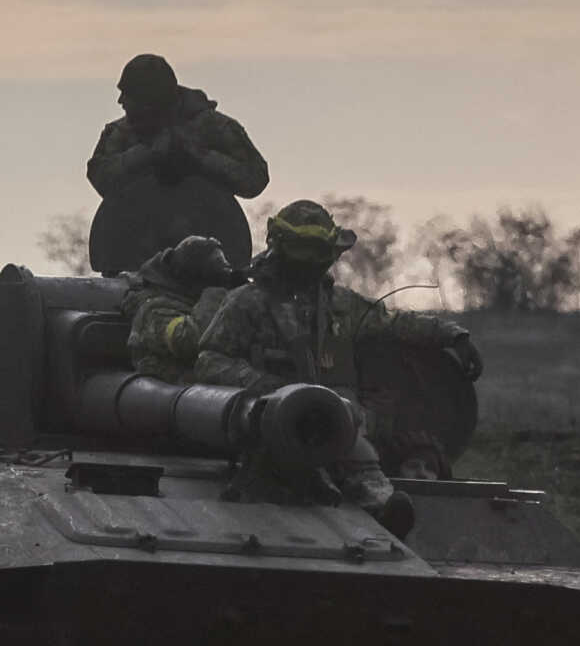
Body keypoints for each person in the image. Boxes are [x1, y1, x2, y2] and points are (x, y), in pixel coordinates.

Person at [195, 199, 480, 525]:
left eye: (319, 253)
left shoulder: (341, 306)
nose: (312, 266)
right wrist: (264, 385)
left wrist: (454, 335)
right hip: (266, 421)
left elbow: (394, 323)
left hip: (341, 423)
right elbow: (210, 359)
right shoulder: (247, 303)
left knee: (349, 437)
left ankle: (378, 503)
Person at [87, 55, 269, 205]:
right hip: (141, 238)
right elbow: (100, 177)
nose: (121, 101)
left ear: (149, 100)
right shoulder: (119, 134)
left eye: (129, 94)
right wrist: (146, 153)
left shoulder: (214, 128)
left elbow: (255, 178)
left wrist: (199, 155)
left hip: (208, 231)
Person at [123, 235, 239, 380]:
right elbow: (188, 342)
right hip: (168, 391)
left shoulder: (196, 301)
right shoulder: (153, 309)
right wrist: (215, 293)